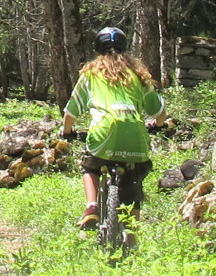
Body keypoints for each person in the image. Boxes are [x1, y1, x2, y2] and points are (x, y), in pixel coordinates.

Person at [62, 27, 166, 230]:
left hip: (103, 134)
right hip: (135, 137)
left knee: (90, 166)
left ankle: (92, 207)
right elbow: (159, 112)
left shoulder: (91, 74)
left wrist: (67, 131)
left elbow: (71, 113)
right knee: (133, 178)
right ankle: (132, 235)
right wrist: (158, 125)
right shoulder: (138, 75)